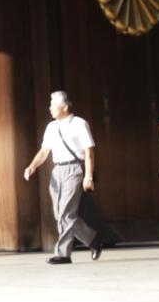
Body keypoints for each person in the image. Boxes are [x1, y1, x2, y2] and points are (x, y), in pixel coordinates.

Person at [23, 91, 103, 264]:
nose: (50, 108)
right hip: (57, 171)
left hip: (74, 168)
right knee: (61, 215)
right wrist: (32, 166)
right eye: (50, 105)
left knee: (66, 212)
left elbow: (89, 151)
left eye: (54, 105)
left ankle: (63, 253)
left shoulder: (80, 124)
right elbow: (44, 151)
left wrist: (88, 175)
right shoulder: (52, 127)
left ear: (65, 107)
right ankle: (92, 238)